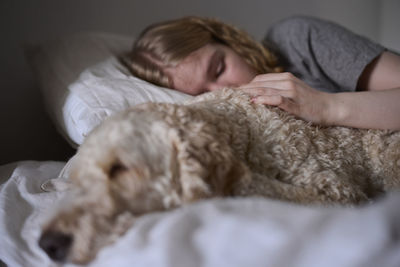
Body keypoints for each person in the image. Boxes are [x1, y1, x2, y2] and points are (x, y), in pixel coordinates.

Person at [123, 16, 400, 130]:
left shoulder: (296, 40)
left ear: (228, 40)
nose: (227, 91)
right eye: (203, 94)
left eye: (219, 68)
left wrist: (326, 106)